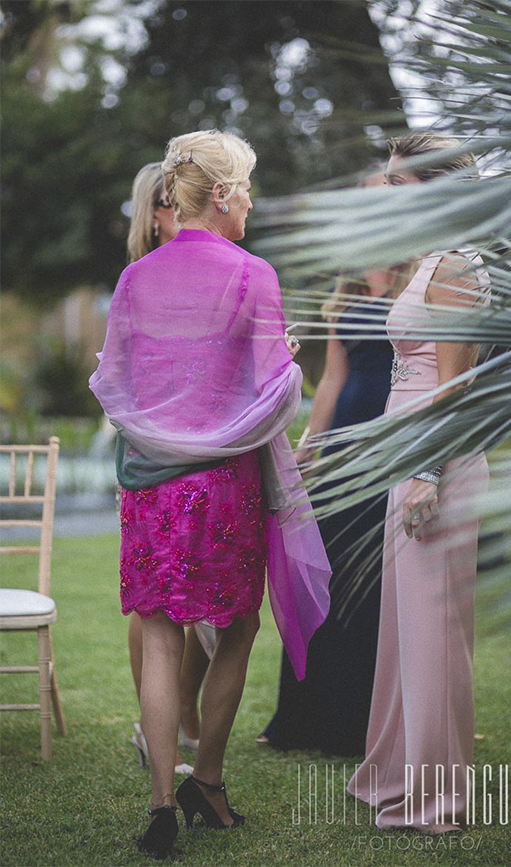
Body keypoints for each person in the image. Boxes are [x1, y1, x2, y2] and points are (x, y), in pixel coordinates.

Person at [90, 129, 331, 858]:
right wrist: (287, 363)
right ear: (221, 197)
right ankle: (210, 778)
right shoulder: (254, 275)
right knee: (239, 626)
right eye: (247, 188)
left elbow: (118, 382)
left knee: (161, 635)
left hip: (152, 491)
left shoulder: (135, 279)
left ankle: (163, 803)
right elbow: (272, 391)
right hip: (224, 487)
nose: (251, 201)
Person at [346, 131, 488, 832]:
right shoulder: (429, 260)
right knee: (405, 629)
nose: (390, 195)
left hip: (438, 458)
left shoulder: (457, 266)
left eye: (402, 185)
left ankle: (438, 797)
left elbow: (456, 385)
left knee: (434, 632)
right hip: (407, 454)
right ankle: (394, 771)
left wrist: (428, 473)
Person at [258, 167, 412, 755]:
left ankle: (362, 726)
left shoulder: (424, 274)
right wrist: (306, 453)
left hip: (392, 443)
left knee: (375, 589)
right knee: (321, 582)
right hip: (342, 443)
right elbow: (331, 379)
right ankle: (305, 722)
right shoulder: (349, 280)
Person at [123, 161, 210, 778]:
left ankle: (182, 710)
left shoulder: (216, 269)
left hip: (210, 444)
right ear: (154, 214)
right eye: (169, 201)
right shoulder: (139, 279)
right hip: (150, 445)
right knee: (152, 600)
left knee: (206, 601)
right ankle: (157, 723)